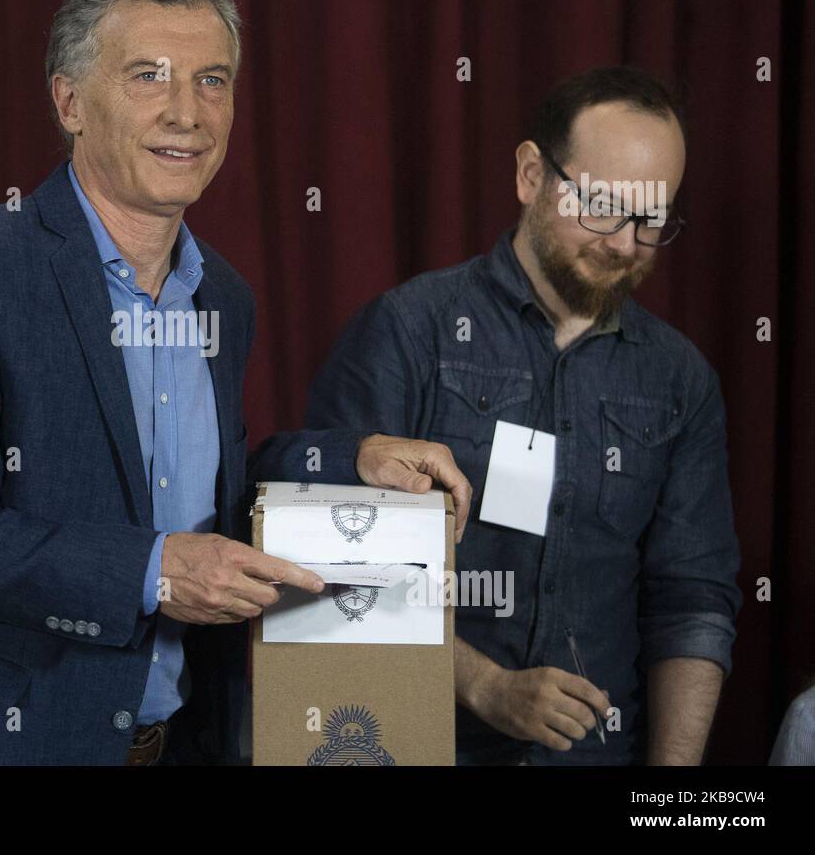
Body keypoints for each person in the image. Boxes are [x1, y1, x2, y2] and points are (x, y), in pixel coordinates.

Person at [0, 0, 470, 766]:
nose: (188, 112)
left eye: (212, 80)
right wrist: (154, 570)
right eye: (150, 75)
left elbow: (202, 492)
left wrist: (351, 459)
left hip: (175, 745)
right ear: (69, 101)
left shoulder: (226, 298)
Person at [306, 66, 742, 765]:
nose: (625, 244)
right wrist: (486, 687)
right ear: (531, 176)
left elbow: (690, 602)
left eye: (651, 217)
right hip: (423, 744)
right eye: (601, 204)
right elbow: (328, 568)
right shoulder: (409, 332)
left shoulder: (680, 380)